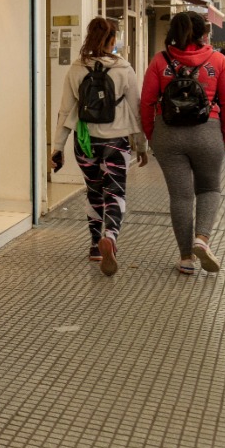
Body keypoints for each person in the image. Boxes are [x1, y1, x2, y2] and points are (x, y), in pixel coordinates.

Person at [139, 12, 225, 275]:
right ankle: (202, 240)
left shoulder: (160, 61)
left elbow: (147, 101)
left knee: (180, 196)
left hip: (168, 133)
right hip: (208, 132)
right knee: (208, 189)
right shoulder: (218, 60)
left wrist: (152, 135)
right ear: (202, 34)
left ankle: (185, 258)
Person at [49, 17, 149, 276]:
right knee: (114, 193)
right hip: (116, 141)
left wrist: (56, 148)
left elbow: (65, 111)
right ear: (113, 40)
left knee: (94, 191)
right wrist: (141, 146)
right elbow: (136, 111)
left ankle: (95, 245)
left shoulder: (76, 68)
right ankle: (111, 237)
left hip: (85, 141)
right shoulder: (124, 68)